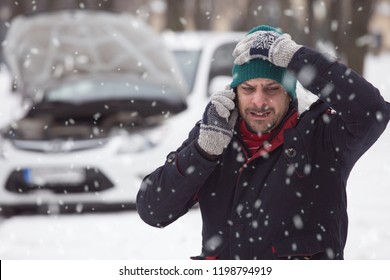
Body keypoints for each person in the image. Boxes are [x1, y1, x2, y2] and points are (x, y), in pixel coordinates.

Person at [136, 25, 390, 260]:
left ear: (289, 94)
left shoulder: (321, 136)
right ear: (234, 92)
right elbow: (153, 211)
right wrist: (203, 152)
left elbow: (372, 112)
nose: (259, 101)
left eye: (271, 89)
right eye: (248, 89)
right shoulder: (215, 135)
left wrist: (295, 57)